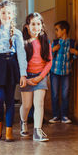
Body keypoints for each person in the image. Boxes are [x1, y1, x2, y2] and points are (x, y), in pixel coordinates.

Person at [0, 0, 27, 142]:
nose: (6, 15)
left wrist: (23, 73)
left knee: (9, 100)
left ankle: (8, 129)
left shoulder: (18, 33)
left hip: (11, 65)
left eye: (9, 12)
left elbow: (21, 54)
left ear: (12, 14)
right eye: (3, 12)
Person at [20, 13, 52, 142]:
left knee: (38, 103)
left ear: (42, 26)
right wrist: (24, 77)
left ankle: (37, 131)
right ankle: (23, 122)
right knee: (27, 105)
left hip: (40, 76)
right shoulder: (23, 43)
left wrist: (40, 77)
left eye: (38, 24)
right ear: (27, 26)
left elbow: (49, 61)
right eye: (33, 24)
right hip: (27, 77)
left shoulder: (45, 41)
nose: (36, 27)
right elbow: (20, 61)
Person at [49, 20, 78, 124]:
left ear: (64, 30)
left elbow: (74, 57)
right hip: (54, 72)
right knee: (55, 94)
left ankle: (65, 116)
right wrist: (53, 50)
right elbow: (49, 57)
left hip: (66, 72)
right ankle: (56, 115)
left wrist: (75, 53)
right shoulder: (55, 42)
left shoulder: (72, 43)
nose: (56, 32)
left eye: (57, 30)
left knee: (65, 94)